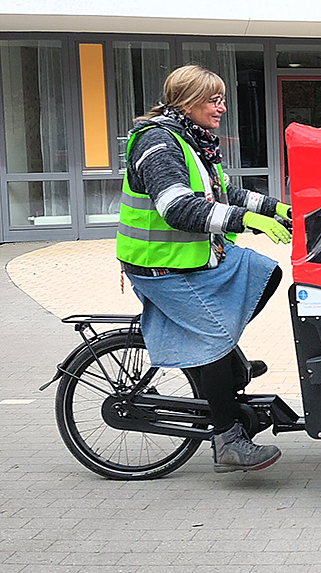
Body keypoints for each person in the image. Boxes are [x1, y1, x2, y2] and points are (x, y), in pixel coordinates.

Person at [116, 65, 293, 473]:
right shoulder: (158, 143)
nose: (222, 108)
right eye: (214, 100)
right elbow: (178, 208)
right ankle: (227, 439)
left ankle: (226, 364)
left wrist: (278, 209)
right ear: (187, 102)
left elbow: (224, 192)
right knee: (212, 336)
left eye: (222, 100)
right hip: (159, 266)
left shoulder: (190, 139)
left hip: (193, 260)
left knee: (264, 272)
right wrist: (246, 221)